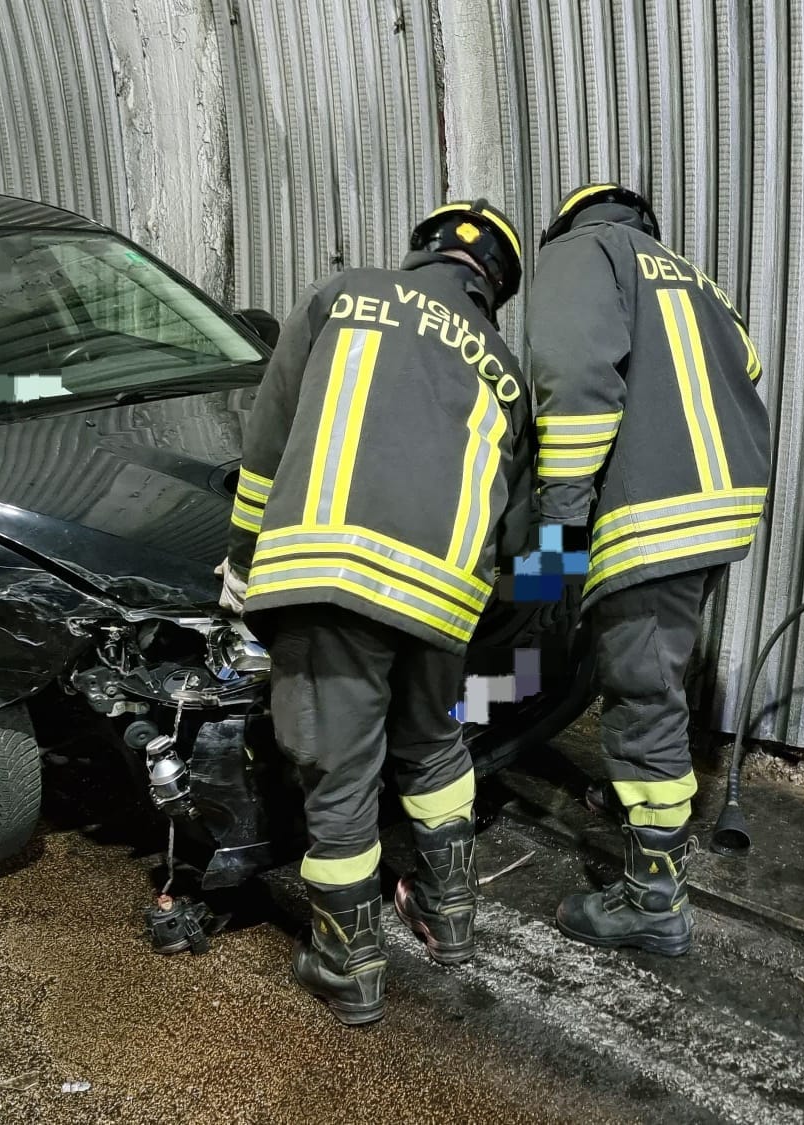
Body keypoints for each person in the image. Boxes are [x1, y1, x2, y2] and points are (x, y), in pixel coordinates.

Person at [218, 200, 531, 1024]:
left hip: (332, 579)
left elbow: (265, 445)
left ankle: (348, 964)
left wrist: (245, 564)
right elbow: (524, 525)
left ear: (420, 250)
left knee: (340, 775)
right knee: (434, 750)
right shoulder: (507, 371)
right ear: (494, 288)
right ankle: (449, 917)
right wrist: (515, 613)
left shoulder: (342, 297)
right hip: (443, 600)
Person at [525, 183, 770, 957]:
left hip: (650, 515)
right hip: (720, 509)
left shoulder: (580, 253)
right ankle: (640, 800)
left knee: (639, 692)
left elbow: (574, 388)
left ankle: (653, 896)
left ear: (569, 221)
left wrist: (556, 543)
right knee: (655, 671)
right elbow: (750, 366)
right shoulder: (693, 277)